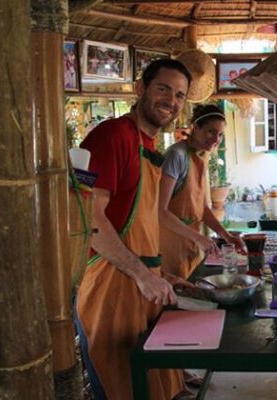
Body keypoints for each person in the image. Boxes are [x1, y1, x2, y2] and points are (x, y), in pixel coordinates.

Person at [75, 59, 196, 400]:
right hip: (110, 285)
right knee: (120, 384)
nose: (171, 101)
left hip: (141, 285)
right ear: (141, 89)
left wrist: (158, 273)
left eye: (179, 95)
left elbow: (138, 224)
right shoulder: (113, 135)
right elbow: (91, 221)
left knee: (150, 386)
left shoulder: (149, 146)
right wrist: (143, 275)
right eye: (163, 89)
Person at [159, 104, 244, 280]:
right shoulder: (176, 155)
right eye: (211, 132)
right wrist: (198, 238)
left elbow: (201, 207)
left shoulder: (201, 155)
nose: (216, 139)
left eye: (220, 135)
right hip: (171, 246)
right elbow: (160, 212)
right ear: (195, 127)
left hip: (193, 244)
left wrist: (225, 235)